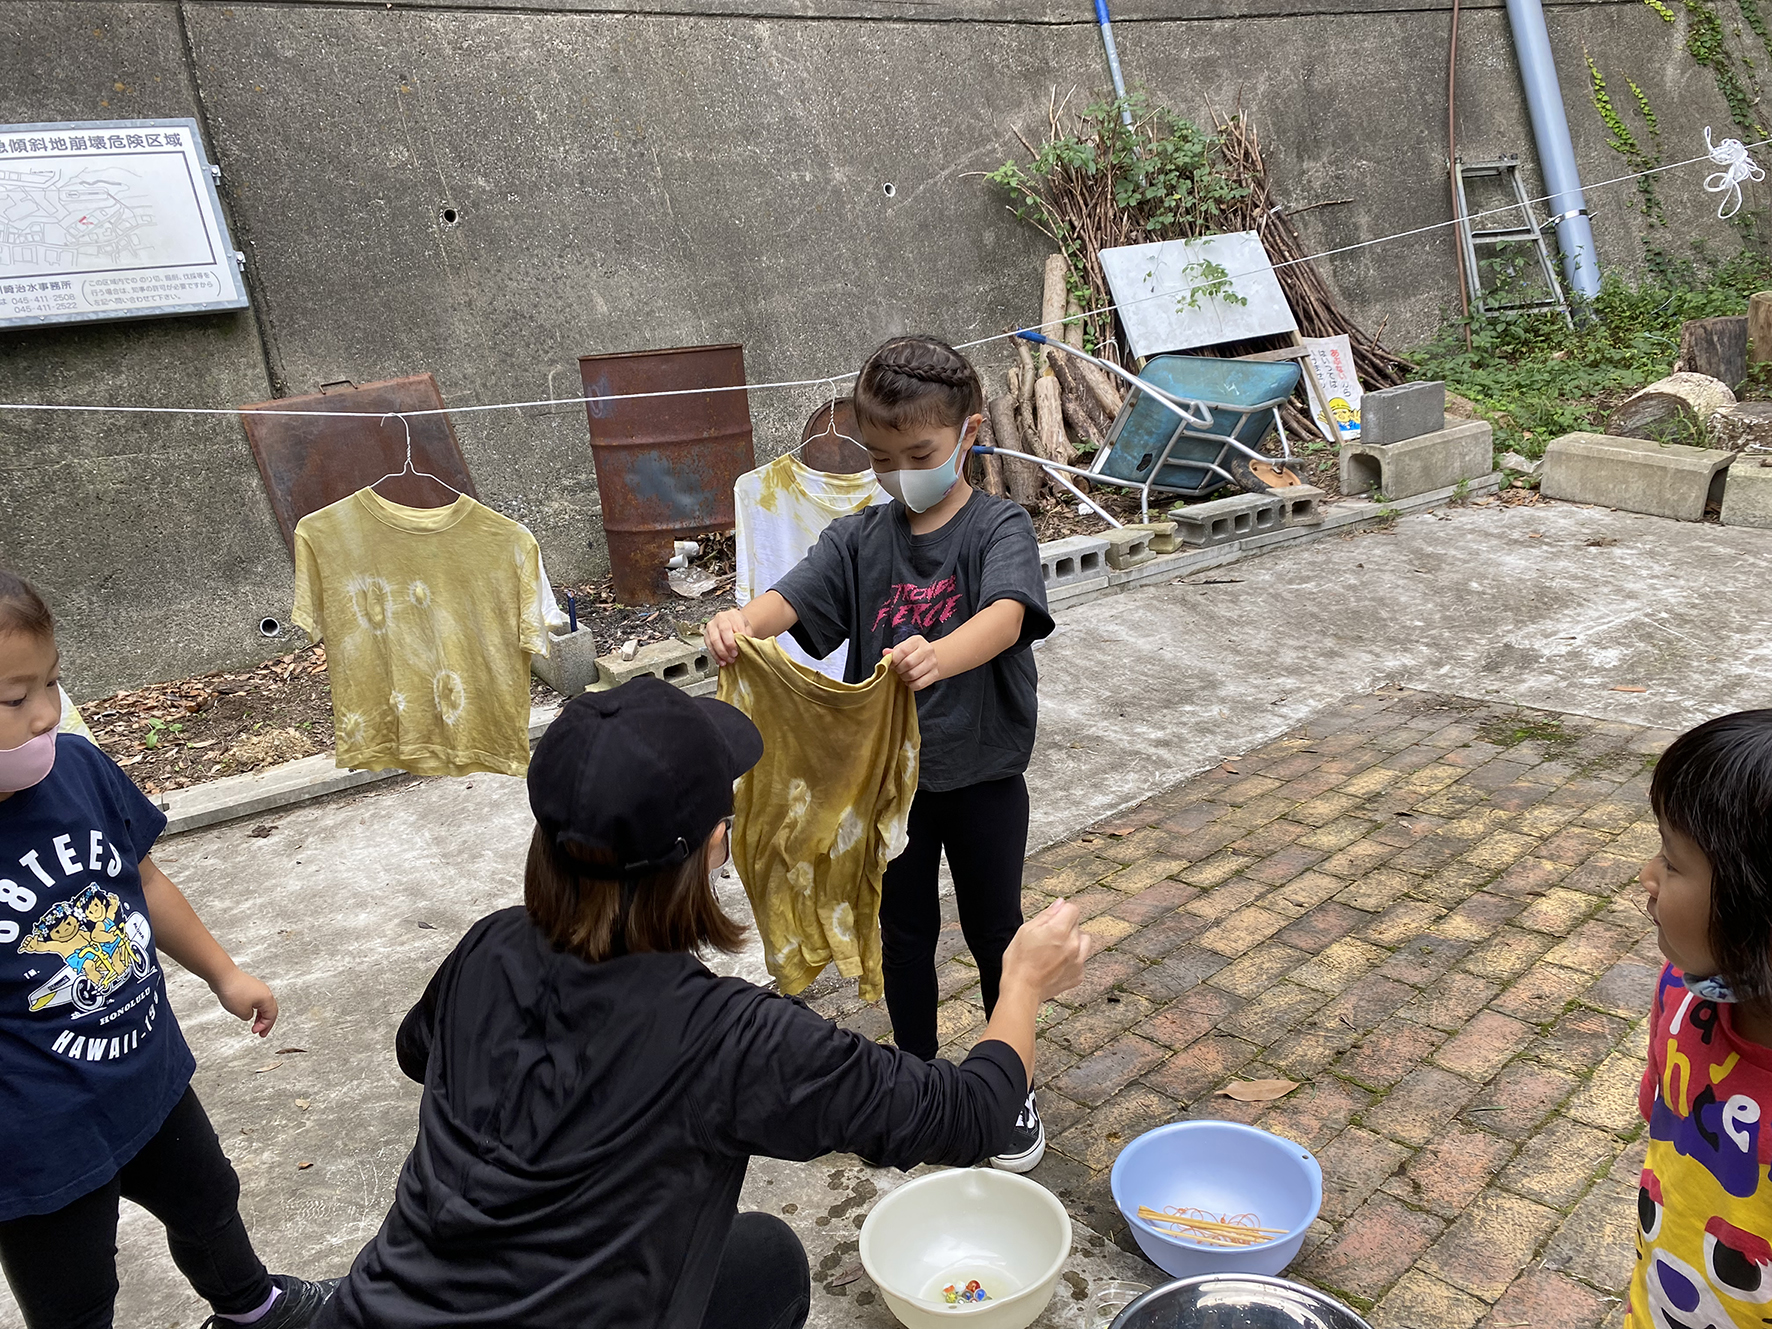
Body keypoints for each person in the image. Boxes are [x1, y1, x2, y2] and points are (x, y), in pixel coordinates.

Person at [315, 678, 1097, 1329]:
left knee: (759, 1260)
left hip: (373, 1309)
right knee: (766, 1271)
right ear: (709, 846)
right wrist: (1021, 982)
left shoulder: (487, 947)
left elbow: (415, 1052)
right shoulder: (729, 1040)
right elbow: (972, 1112)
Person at [704, 335, 1055, 1170]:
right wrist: (738, 626)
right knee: (902, 931)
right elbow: (790, 598)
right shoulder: (860, 538)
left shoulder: (997, 523)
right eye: (882, 456)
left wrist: (943, 650)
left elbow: (1008, 611)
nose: (901, 471)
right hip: (886, 791)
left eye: (920, 454)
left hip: (983, 779)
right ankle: (920, 1079)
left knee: (995, 927)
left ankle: (1014, 1087)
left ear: (968, 433)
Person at [0, 571, 337, 1329]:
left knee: (210, 1202)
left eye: (53, 681)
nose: (48, 713)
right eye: (15, 699)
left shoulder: (80, 770)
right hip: (36, 1141)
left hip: (146, 1073)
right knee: (75, 1296)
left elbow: (145, 879)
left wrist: (223, 971)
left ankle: (255, 1310)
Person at [1631, 709, 1772, 1329]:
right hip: (1665, 1292)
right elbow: (1658, 1108)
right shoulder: (1681, 994)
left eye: (1673, 861)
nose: (1647, 876)